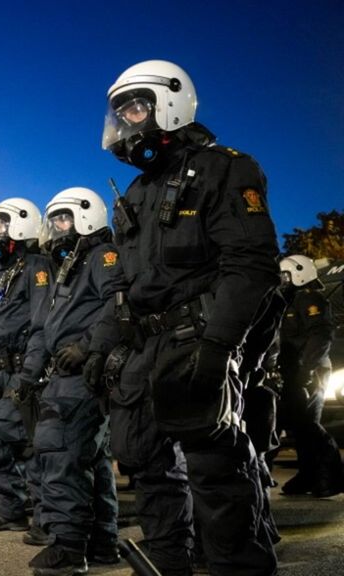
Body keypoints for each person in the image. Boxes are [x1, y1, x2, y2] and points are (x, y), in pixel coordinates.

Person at [101, 60, 279, 575]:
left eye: (136, 108)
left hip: (197, 339)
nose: (128, 123)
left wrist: (220, 345)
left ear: (171, 104)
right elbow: (122, 286)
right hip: (145, 350)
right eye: (121, 114)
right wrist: (100, 348)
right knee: (147, 468)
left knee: (218, 474)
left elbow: (251, 266)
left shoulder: (226, 168)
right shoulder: (135, 193)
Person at [21, 188, 123, 573]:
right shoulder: (73, 265)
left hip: (82, 372)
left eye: (63, 218)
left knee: (61, 455)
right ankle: (101, 542)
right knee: (89, 460)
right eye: (54, 221)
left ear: (86, 217)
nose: (57, 228)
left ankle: (67, 548)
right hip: (67, 372)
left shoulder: (101, 256)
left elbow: (118, 304)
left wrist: (85, 346)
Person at [0, 198, 51, 535]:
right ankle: (10, 508)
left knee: (26, 444)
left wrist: (29, 374)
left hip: (18, 369)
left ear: (21, 225)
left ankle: (46, 517)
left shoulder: (36, 267)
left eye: (1, 225)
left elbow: (41, 322)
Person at [277, 254, 342, 497]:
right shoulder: (289, 301)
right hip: (293, 371)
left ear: (299, 272)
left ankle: (333, 476)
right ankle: (309, 475)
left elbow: (321, 337)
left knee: (308, 424)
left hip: (309, 370)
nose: (283, 279)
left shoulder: (311, 300)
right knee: (298, 425)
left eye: (286, 274)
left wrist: (307, 369)